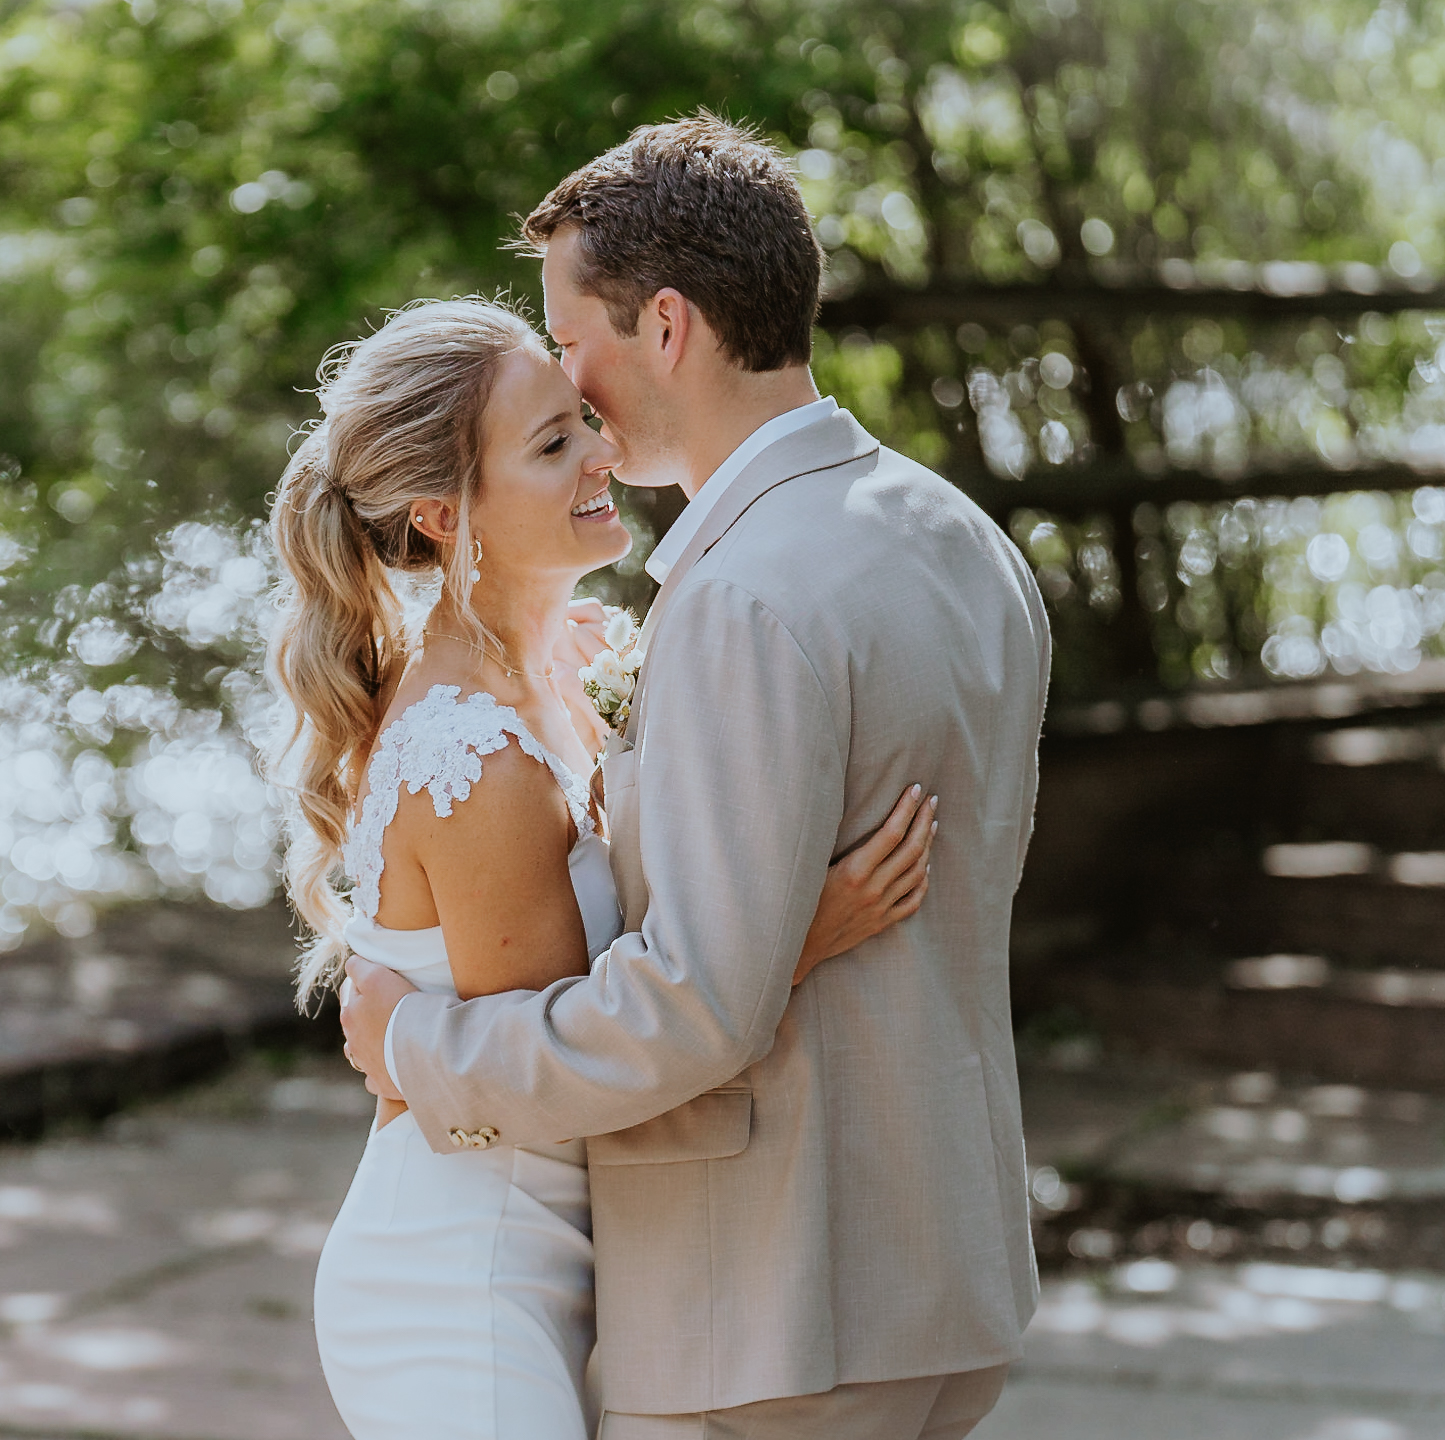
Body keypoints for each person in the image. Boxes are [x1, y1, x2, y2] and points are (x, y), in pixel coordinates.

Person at [339, 115, 1051, 1440]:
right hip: (944, 1279)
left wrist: (412, 1041)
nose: (570, 374)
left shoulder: (742, 595)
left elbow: (696, 1008)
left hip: (770, 1308)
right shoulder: (960, 540)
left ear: (664, 327)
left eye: (572, 337)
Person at [270, 294, 937, 1440]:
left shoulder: (559, 676)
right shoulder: (469, 755)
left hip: (581, 1258)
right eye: (551, 445)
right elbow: (554, 1071)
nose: (602, 451)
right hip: (467, 1286)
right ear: (441, 514)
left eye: (581, 417)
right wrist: (787, 932)